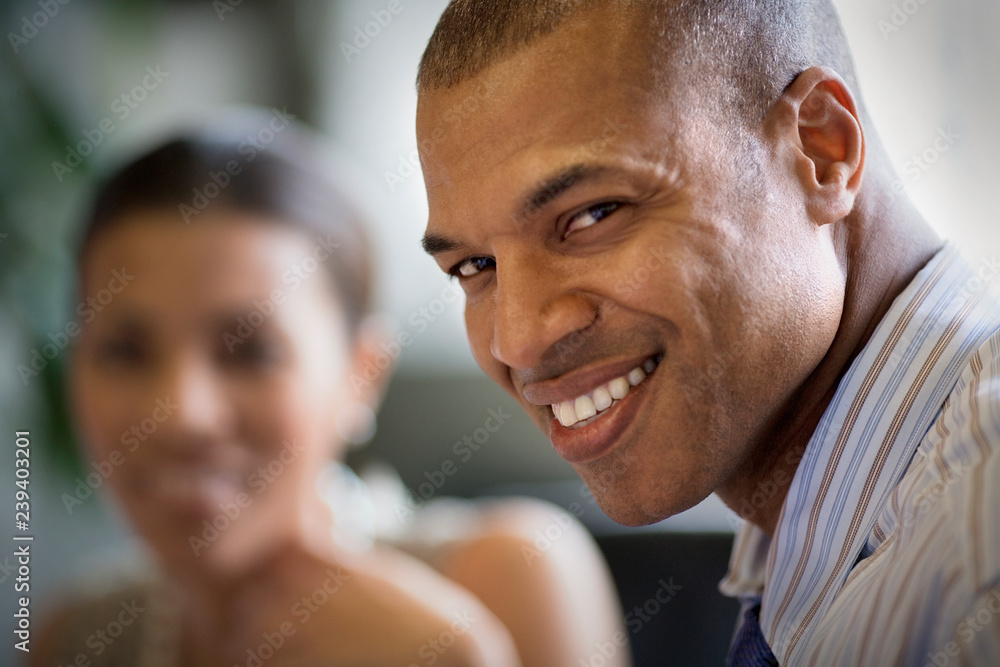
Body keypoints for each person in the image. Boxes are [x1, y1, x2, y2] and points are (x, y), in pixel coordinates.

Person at [415, 1, 1000, 664]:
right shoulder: (819, 531)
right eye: (475, 267)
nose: (517, 341)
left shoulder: (975, 545)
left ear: (822, 151)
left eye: (594, 214)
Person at [33, 113, 628, 667]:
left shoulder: (509, 581)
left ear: (361, 376)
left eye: (250, 351)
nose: (181, 414)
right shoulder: (72, 640)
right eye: (125, 351)